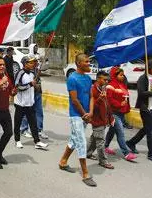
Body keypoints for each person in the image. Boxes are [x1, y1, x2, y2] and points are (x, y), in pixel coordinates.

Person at [58, 53, 96, 187]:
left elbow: (91, 96)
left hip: (85, 115)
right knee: (81, 141)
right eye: (86, 62)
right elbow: (74, 100)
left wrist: (90, 112)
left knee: (74, 139)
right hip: (76, 115)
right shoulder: (72, 79)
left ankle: (63, 161)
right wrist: (84, 114)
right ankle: (85, 173)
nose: (88, 64)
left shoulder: (88, 79)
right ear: (79, 63)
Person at [126, 60, 152, 164]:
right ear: (148, 68)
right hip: (146, 108)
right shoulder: (143, 78)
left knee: (147, 129)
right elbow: (142, 93)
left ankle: (131, 143)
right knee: (151, 131)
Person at [13, 55, 49, 150]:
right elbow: (17, 87)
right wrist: (29, 84)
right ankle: (17, 140)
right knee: (17, 123)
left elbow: (34, 86)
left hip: (30, 103)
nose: (33, 64)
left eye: (33, 62)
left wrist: (36, 86)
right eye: (31, 62)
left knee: (33, 123)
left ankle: (37, 142)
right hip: (20, 104)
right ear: (25, 64)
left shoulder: (33, 74)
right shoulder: (20, 73)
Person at [105, 67, 137, 162]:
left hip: (121, 112)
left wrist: (125, 107)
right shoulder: (110, 86)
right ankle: (126, 153)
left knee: (112, 131)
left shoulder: (122, 85)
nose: (123, 77)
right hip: (114, 113)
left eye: (123, 75)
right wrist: (119, 104)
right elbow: (109, 100)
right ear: (114, 75)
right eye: (120, 75)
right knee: (120, 132)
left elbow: (125, 97)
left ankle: (105, 146)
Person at [85, 71, 115, 169]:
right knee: (100, 141)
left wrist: (111, 117)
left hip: (104, 119)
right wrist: (99, 99)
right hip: (97, 119)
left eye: (107, 80)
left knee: (95, 137)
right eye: (104, 79)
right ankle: (103, 161)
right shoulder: (93, 90)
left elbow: (107, 105)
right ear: (98, 79)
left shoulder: (103, 89)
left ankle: (87, 153)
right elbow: (92, 107)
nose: (106, 82)